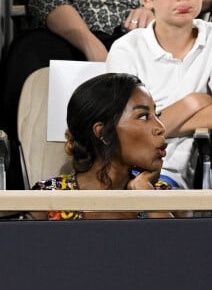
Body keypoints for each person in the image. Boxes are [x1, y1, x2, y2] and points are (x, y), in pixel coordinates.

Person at [0, 0, 156, 190]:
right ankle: (15, 181)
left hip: (143, 28)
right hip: (73, 32)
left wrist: (160, 5)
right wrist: (92, 45)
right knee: (26, 53)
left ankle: (140, 175)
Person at [106, 0, 212, 189]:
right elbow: (124, 132)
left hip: (179, 172)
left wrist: (151, 125)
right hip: (128, 166)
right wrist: (193, 102)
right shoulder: (126, 49)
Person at [31, 73, 173, 220]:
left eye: (157, 115)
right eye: (143, 116)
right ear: (102, 132)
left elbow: (180, 243)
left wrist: (146, 193)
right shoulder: (47, 199)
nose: (161, 127)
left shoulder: (162, 196)